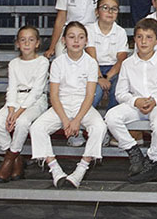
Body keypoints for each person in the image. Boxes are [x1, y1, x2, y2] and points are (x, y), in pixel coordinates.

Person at [30, 21, 106, 188]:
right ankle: (55, 170)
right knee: (37, 128)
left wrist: (77, 120)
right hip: (61, 106)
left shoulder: (91, 63)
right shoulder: (58, 63)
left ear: (86, 41)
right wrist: (65, 120)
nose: (76, 41)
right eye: (71, 37)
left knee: (99, 127)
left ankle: (81, 170)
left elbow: (89, 95)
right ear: (64, 40)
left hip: (83, 106)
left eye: (81, 37)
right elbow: (54, 96)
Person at [104, 18, 157, 184]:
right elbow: (120, 93)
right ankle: (133, 151)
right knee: (111, 117)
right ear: (134, 39)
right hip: (135, 105)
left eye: (149, 37)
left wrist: (156, 100)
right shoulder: (128, 64)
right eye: (139, 37)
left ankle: (153, 161)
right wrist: (135, 101)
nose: (144, 41)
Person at [0, 26, 48, 183]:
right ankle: (17, 160)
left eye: (31, 40)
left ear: (37, 43)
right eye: (23, 40)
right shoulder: (14, 63)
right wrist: (10, 111)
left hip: (36, 101)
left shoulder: (42, 61)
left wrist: (17, 114)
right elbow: (12, 88)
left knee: (22, 122)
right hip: (16, 101)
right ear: (17, 44)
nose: (27, 43)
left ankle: (9, 160)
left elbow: (36, 91)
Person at [86, 0, 129, 117]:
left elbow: (121, 59)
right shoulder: (89, 30)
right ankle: (83, 123)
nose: (110, 12)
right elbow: (91, 57)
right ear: (97, 12)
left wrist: (107, 78)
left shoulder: (120, 32)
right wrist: (100, 78)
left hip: (113, 70)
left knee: (118, 90)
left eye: (114, 9)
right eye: (105, 8)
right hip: (93, 69)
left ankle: (110, 123)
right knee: (96, 91)